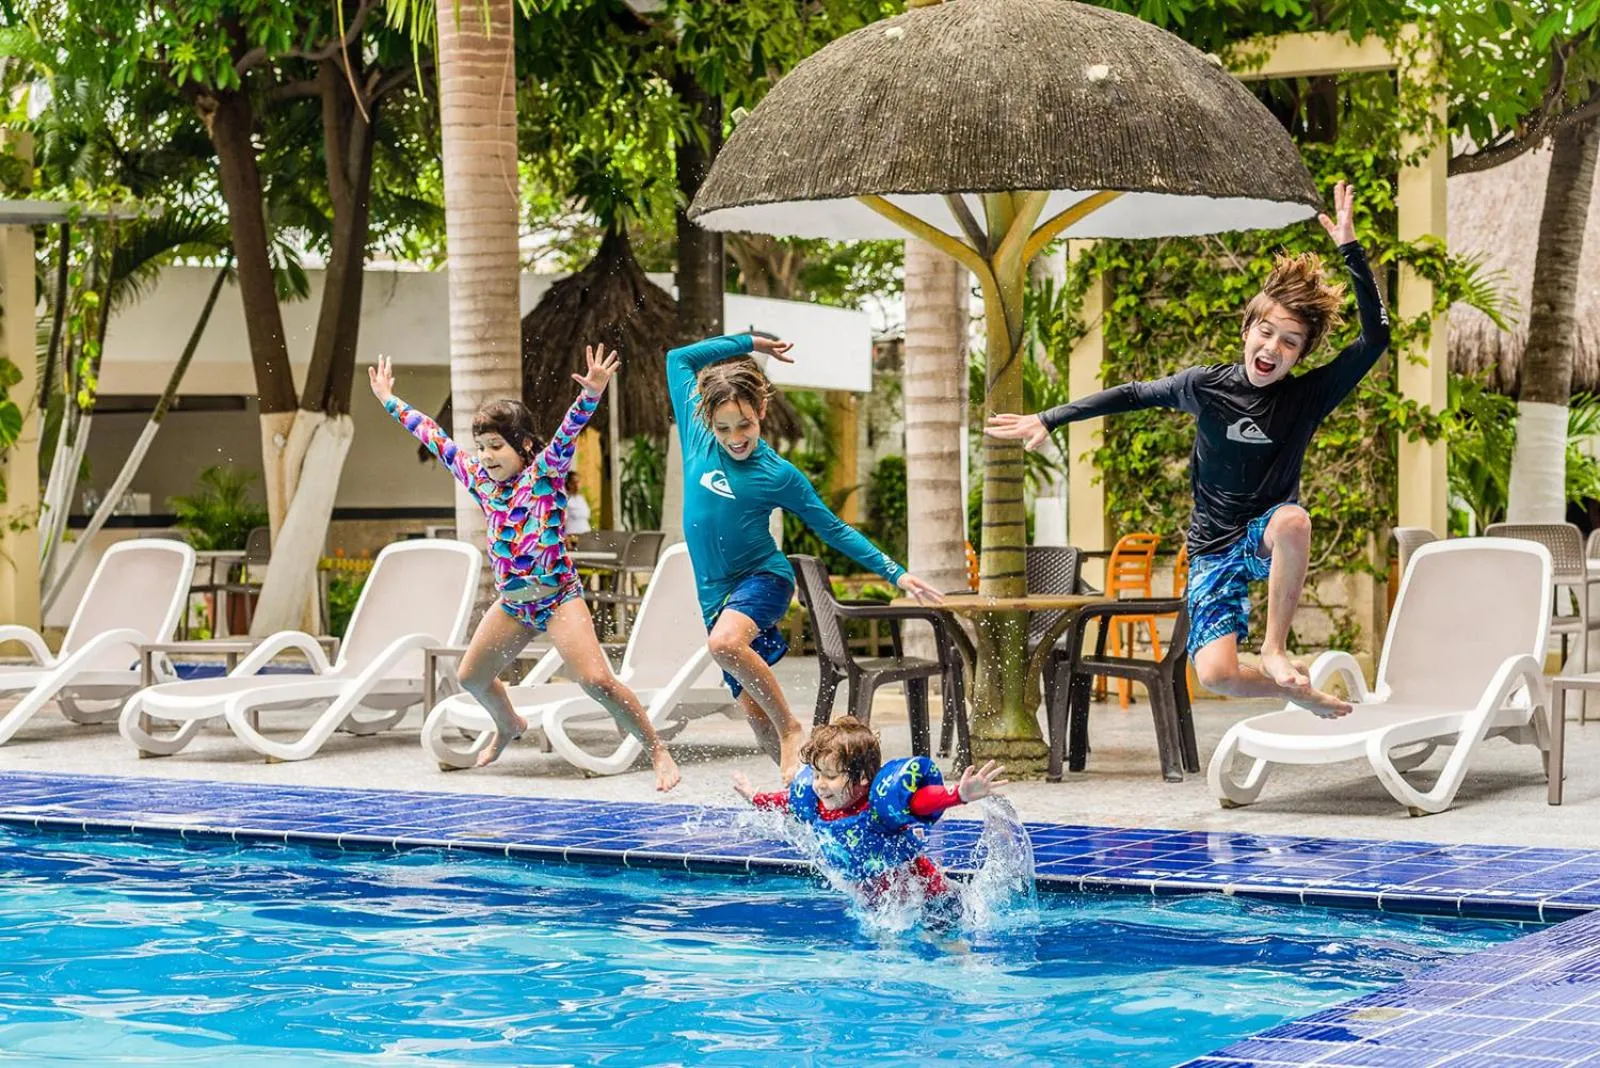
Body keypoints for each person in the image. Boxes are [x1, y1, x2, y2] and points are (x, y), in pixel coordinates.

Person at [987, 181, 1389, 719]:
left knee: (1293, 521)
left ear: (1302, 353)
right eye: (1265, 333)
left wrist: (1351, 251)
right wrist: (1050, 417)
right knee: (1217, 676)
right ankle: (1291, 689)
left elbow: (1376, 338)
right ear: (1247, 330)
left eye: (1289, 342)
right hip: (1212, 548)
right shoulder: (1205, 387)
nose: (1272, 348)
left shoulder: (1307, 397)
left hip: (1263, 534)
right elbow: (1132, 394)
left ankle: (1273, 648)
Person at [369, 346, 681, 788]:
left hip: (558, 599)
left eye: (496, 446)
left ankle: (657, 750)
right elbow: (434, 437)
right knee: (471, 678)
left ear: (526, 446)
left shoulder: (546, 475)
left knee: (596, 680)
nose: (486, 456)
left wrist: (591, 393)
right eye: (481, 447)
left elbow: (570, 429)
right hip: (514, 605)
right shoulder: (480, 482)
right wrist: (387, 399)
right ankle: (509, 723)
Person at [668, 332, 943, 783]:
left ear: (760, 412)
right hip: (713, 595)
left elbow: (832, 528)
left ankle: (794, 727)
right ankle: (813, 801)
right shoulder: (697, 436)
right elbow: (679, 355)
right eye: (725, 428)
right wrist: (750, 341)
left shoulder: (778, 474)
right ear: (707, 420)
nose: (736, 438)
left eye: (745, 425)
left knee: (723, 645)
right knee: (755, 717)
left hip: (763, 578)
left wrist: (896, 573)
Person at [733, 717, 1007, 913]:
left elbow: (918, 803)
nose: (819, 784)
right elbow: (787, 802)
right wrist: (754, 796)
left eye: (830, 776)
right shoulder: (816, 803)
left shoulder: (877, 809)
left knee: (946, 943)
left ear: (863, 777)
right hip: (878, 902)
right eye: (816, 774)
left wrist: (959, 795)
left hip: (926, 895)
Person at [564, 469, 592, 536]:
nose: (577, 485)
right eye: (574, 482)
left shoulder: (581, 499)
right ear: (568, 484)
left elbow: (587, 514)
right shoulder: (564, 500)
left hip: (586, 534)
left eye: (578, 482)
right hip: (571, 535)